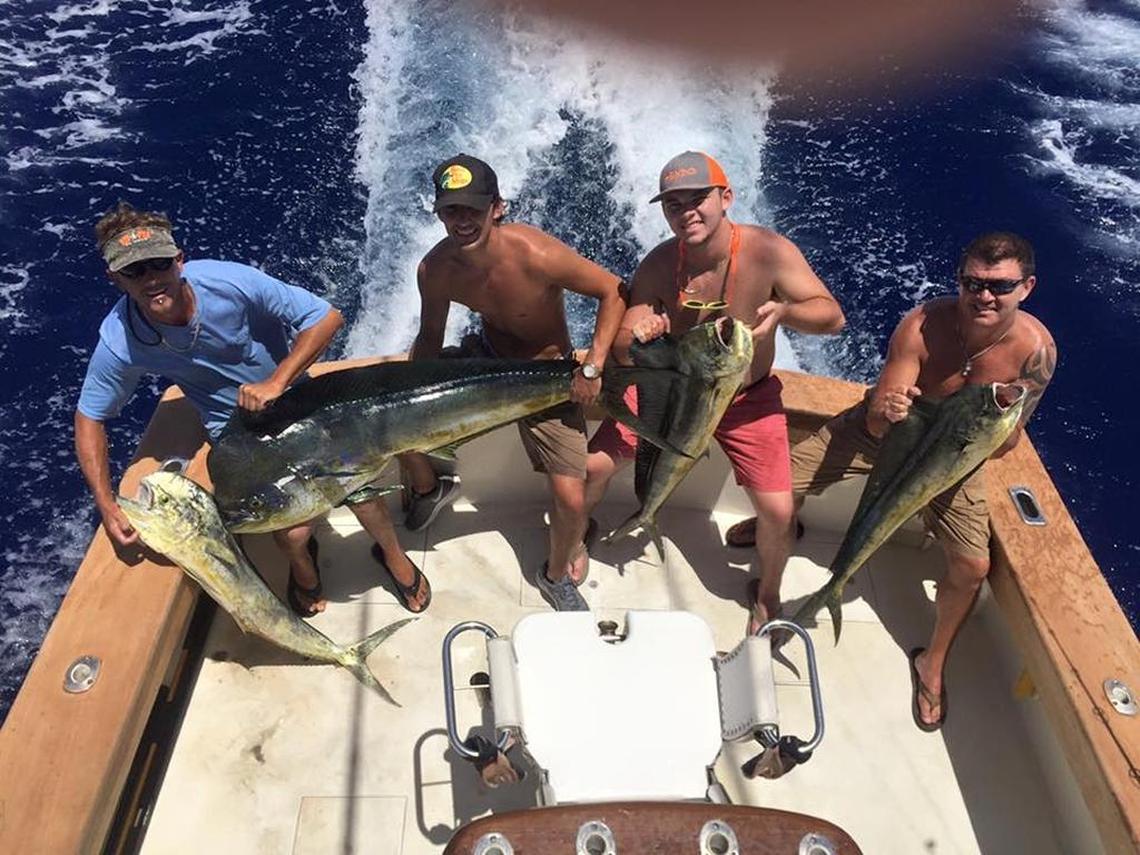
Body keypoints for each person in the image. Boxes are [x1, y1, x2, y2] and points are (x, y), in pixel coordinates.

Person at [74, 202, 431, 617]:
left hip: (299, 402)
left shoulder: (228, 282)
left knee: (362, 494)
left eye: (159, 264)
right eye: (135, 271)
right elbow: (89, 417)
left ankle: (392, 554)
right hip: (235, 433)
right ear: (115, 278)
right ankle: (304, 567)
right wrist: (107, 504)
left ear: (179, 260)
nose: (152, 279)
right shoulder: (119, 339)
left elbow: (326, 317)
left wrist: (277, 382)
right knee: (291, 534)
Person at [761, 231, 1056, 730]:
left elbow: (1005, 444)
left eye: (1000, 286)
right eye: (973, 283)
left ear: (1026, 287)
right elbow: (879, 422)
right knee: (777, 489)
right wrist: (889, 409)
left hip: (955, 460)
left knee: (972, 567)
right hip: (889, 435)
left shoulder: (1036, 353)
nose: (984, 296)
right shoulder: (922, 325)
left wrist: (970, 441)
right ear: (959, 280)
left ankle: (932, 664)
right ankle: (775, 527)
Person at [584, 150, 845, 617]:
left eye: (697, 199)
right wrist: (641, 334)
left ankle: (767, 596)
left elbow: (831, 317)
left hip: (747, 399)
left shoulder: (769, 251)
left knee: (779, 513)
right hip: (675, 394)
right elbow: (623, 345)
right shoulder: (659, 265)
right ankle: (576, 532)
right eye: (673, 204)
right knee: (590, 468)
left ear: (726, 198)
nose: (686, 212)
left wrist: (786, 311)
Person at [401, 154, 626, 611]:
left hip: (547, 376)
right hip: (488, 363)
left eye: (472, 209)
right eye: (451, 210)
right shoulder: (436, 270)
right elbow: (430, 337)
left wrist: (592, 367)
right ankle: (428, 488)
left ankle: (555, 576)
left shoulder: (537, 255)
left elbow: (613, 290)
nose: (462, 221)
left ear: (497, 208)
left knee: (570, 497)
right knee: (397, 426)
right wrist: (410, 399)